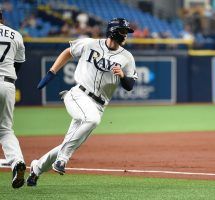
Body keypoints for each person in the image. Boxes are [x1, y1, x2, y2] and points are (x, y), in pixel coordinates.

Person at [27, 18, 137, 186]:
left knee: (68, 143)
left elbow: (130, 85)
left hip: (99, 105)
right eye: (123, 31)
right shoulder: (89, 44)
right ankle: (62, 160)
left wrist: (122, 75)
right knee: (91, 120)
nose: (126, 35)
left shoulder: (127, 57)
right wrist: (52, 72)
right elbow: (68, 52)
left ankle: (36, 168)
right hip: (79, 95)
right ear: (113, 31)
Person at [0, 10, 26, 188]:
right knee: (5, 130)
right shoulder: (15, 34)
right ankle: (17, 162)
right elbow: (18, 64)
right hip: (7, 84)